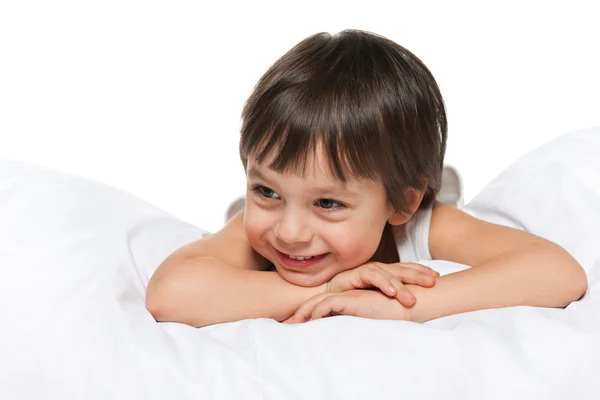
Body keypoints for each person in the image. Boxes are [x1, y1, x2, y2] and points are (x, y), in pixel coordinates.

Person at [145, 30, 587, 327]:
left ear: (402, 203)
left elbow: (556, 272)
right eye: (266, 190)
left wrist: (405, 306)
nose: (290, 231)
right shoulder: (257, 232)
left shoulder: (422, 223)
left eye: (328, 203)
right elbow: (170, 295)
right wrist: (331, 287)